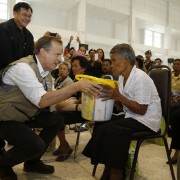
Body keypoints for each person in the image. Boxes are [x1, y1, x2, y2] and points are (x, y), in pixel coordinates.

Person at [0, 36, 101, 180]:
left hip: (24, 115)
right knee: (36, 145)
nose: (60, 59)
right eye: (57, 54)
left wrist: (81, 108)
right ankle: (3, 164)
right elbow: (42, 101)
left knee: (56, 120)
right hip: (5, 118)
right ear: (43, 52)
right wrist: (76, 86)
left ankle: (32, 163)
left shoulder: (46, 74)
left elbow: (55, 103)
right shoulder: (23, 68)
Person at [82, 43, 162, 180]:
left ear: (125, 61)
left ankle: (116, 173)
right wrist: (110, 97)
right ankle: (108, 167)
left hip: (147, 120)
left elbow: (142, 110)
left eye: (113, 60)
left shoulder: (140, 78)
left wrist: (118, 96)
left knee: (115, 130)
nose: (111, 65)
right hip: (132, 115)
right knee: (102, 123)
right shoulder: (122, 77)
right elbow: (123, 105)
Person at [52, 55, 92, 161]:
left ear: (83, 68)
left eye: (76, 66)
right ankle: (63, 145)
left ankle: (65, 147)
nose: (73, 68)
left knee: (56, 117)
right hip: (80, 107)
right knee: (55, 112)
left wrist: (69, 104)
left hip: (86, 112)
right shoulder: (78, 79)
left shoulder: (86, 80)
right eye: (72, 66)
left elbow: (85, 101)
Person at [0, 2, 34, 70]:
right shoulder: (3, 29)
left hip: (20, 72)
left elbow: (30, 57)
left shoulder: (29, 36)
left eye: (29, 16)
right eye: (24, 15)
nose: (27, 18)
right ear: (15, 13)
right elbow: (5, 56)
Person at [167, 59, 180, 165]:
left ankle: (177, 152)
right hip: (171, 100)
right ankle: (172, 131)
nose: (175, 66)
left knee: (175, 115)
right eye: (174, 64)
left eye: (178, 64)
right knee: (170, 110)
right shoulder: (169, 75)